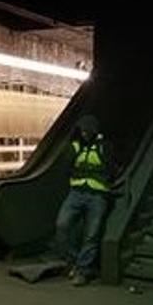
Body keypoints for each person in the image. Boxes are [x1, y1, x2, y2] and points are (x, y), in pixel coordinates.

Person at [53, 114, 112, 286]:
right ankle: (78, 262)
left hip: (98, 195)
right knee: (61, 226)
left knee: (91, 235)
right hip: (76, 193)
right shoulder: (75, 146)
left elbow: (112, 166)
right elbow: (65, 166)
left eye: (88, 130)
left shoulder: (104, 147)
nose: (84, 133)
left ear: (94, 131)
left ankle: (83, 271)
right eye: (82, 130)